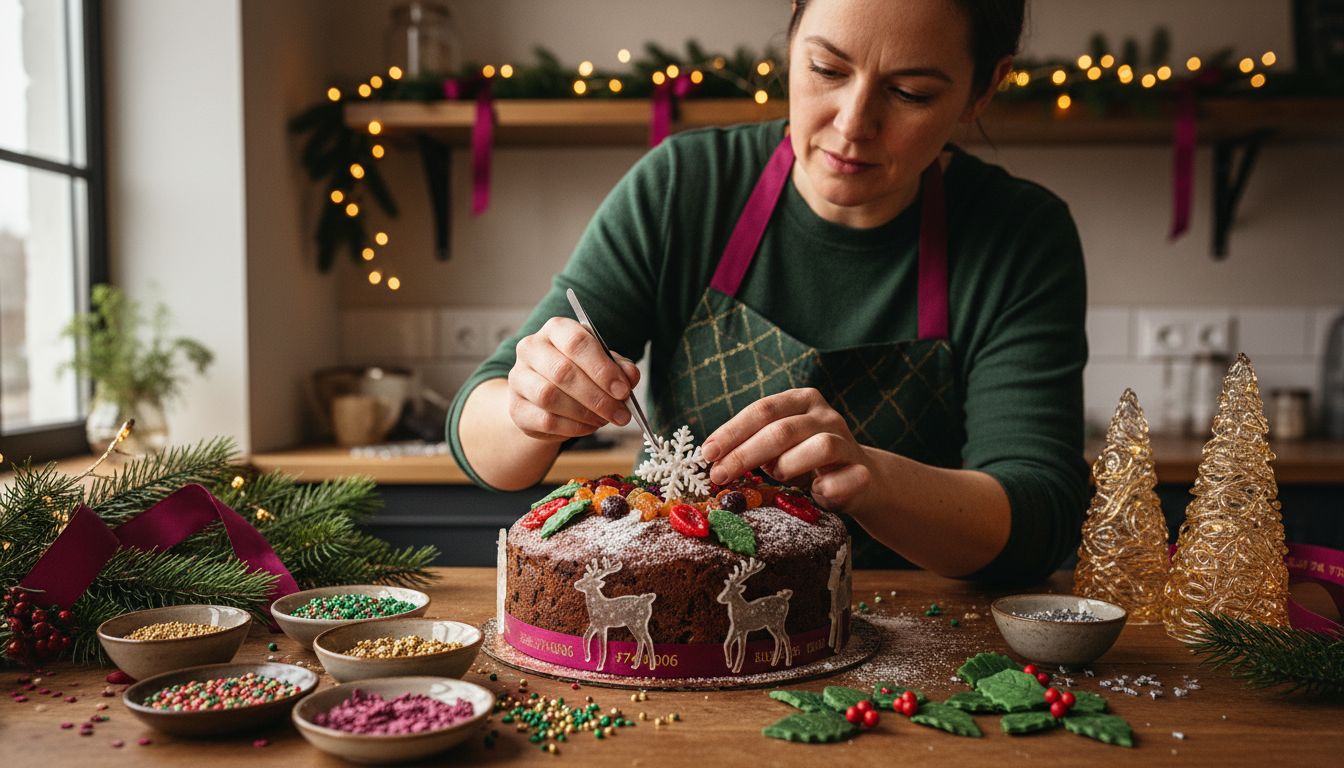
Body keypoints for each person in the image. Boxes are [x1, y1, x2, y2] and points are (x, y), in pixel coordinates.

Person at [449, 0, 1089, 584]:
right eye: (826, 69)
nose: (853, 123)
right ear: (790, 40)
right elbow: (485, 443)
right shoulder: (685, 188)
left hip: (914, 628)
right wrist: (532, 406)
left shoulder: (1020, 236)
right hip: (679, 625)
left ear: (984, 89)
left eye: (909, 93)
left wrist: (873, 479)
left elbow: (1039, 518)